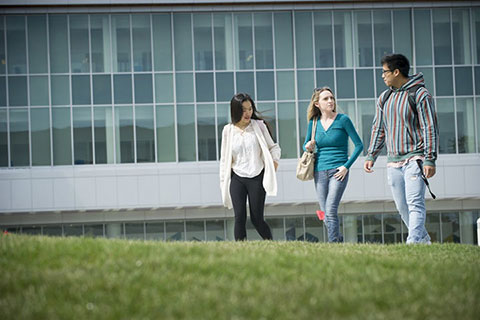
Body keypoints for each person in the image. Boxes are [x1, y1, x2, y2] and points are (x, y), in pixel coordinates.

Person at [364, 53, 438, 244]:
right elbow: (378, 127)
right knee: (402, 206)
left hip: (415, 158)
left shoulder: (420, 94)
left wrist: (429, 158)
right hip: (393, 161)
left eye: (385, 72)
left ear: (396, 72)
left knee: (415, 203)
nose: (382, 76)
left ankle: (412, 243)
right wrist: (371, 154)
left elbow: (429, 127)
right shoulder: (384, 98)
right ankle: (424, 241)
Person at [304, 87, 363, 242]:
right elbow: (305, 145)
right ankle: (338, 238)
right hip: (319, 171)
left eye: (332, 98)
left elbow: (359, 145)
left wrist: (346, 166)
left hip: (338, 170)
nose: (330, 101)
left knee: (330, 210)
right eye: (326, 99)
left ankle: (333, 244)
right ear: (317, 104)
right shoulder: (314, 123)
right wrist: (308, 146)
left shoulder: (343, 120)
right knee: (324, 213)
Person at [219, 93, 281, 241]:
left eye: (250, 109)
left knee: (256, 218)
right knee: (239, 216)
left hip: (257, 176)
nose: (248, 113)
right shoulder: (228, 131)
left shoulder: (258, 126)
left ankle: (271, 244)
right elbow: (224, 160)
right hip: (237, 177)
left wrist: (274, 164)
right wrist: (223, 181)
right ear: (235, 111)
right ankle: (241, 249)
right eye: (244, 110)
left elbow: (274, 147)